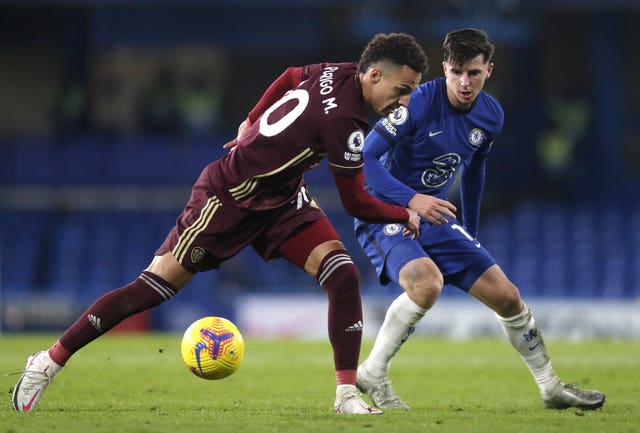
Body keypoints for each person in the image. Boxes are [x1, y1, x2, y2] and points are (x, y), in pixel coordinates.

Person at [12, 33, 427, 415]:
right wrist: (405, 213)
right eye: (402, 89)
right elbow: (356, 202)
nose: (403, 102)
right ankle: (47, 361)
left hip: (282, 198)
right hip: (228, 199)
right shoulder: (346, 123)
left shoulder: (337, 71)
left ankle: (346, 394)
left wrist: (251, 117)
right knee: (149, 291)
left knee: (343, 275)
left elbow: (288, 76)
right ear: (374, 75)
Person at [353, 28, 606, 411]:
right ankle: (373, 372)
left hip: (435, 214)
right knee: (426, 283)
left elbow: (473, 171)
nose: (464, 82)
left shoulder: (491, 115)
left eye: (473, 73)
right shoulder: (417, 102)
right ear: (445, 68)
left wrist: (468, 228)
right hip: (384, 209)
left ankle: (551, 388)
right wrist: (412, 199)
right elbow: (365, 161)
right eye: (456, 72)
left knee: (508, 297)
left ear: (489, 70)